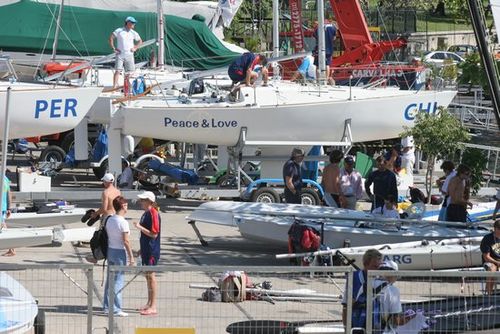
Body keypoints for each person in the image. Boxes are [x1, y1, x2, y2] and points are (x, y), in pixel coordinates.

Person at [103, 196, 134, 317]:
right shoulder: (123, 222)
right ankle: (116, 308)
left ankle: (106, 306)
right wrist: (131, 256)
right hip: (119, 252)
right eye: (126, 204)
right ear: (122, 206)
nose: (127, 206)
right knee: (118, 281)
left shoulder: (109, 219)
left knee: (110, 280)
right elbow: (126, 241)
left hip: (110, 250)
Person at [342, 249, 382, 333]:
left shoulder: (382, 280)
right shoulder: (353, 278)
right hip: (356, 324)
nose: (378, 269)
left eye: (379, 266)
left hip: (376, 326)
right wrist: (346, 328)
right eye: (375, 266)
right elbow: (345, 306)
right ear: (365, 264)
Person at [133, 191, 161, 316]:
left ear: (150, 201)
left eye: (143, 200)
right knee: (147, 277)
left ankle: (153, 305)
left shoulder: (154, 213)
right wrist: (140, 249)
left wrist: (139, 227)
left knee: (151, 276)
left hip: (152, 250)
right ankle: (149, 303)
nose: (141, 202)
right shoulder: (146, 213)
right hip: (146, 249)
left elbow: (154, 234)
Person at [377, 261, 417, 333]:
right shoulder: (392, 290)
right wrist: (411, 316)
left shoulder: (367, 285)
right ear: (392, 274)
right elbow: (397, 321)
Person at [109, 16, 143, 88]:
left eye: (134, 23)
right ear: (128, 22)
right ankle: (114, 87)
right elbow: (111, 38)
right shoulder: (119, 31)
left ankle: (126, 87)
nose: (134, 24)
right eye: (133, 23)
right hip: (120, 54)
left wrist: (135, 48)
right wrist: (113, 48)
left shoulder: (133, 33)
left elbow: (140, 41)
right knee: (118, 71)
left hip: (129, 55)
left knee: (129, 72)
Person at [313, 20, 337, 84]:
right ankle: (326, 80)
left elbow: (315, 37)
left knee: (317, 65)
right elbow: (334, 38)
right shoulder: (333, 28)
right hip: (329, 49)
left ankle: (318, 80)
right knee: (327, 64)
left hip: (319, 49)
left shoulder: (318, 28)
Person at [480, 219, 500, 294]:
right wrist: (497, 262)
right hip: (490, 260)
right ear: (495, 229)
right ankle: (489, 294)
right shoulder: (487, 238)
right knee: (492, 270)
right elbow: (486, 257)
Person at [1, 174, 14, 257]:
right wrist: (9, 208)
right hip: (3, 206)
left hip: (1, 206)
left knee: (3, 226)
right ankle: (11, 248)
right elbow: (9, 193)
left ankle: (11, 248)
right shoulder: (5, 177)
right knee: (3, 226)